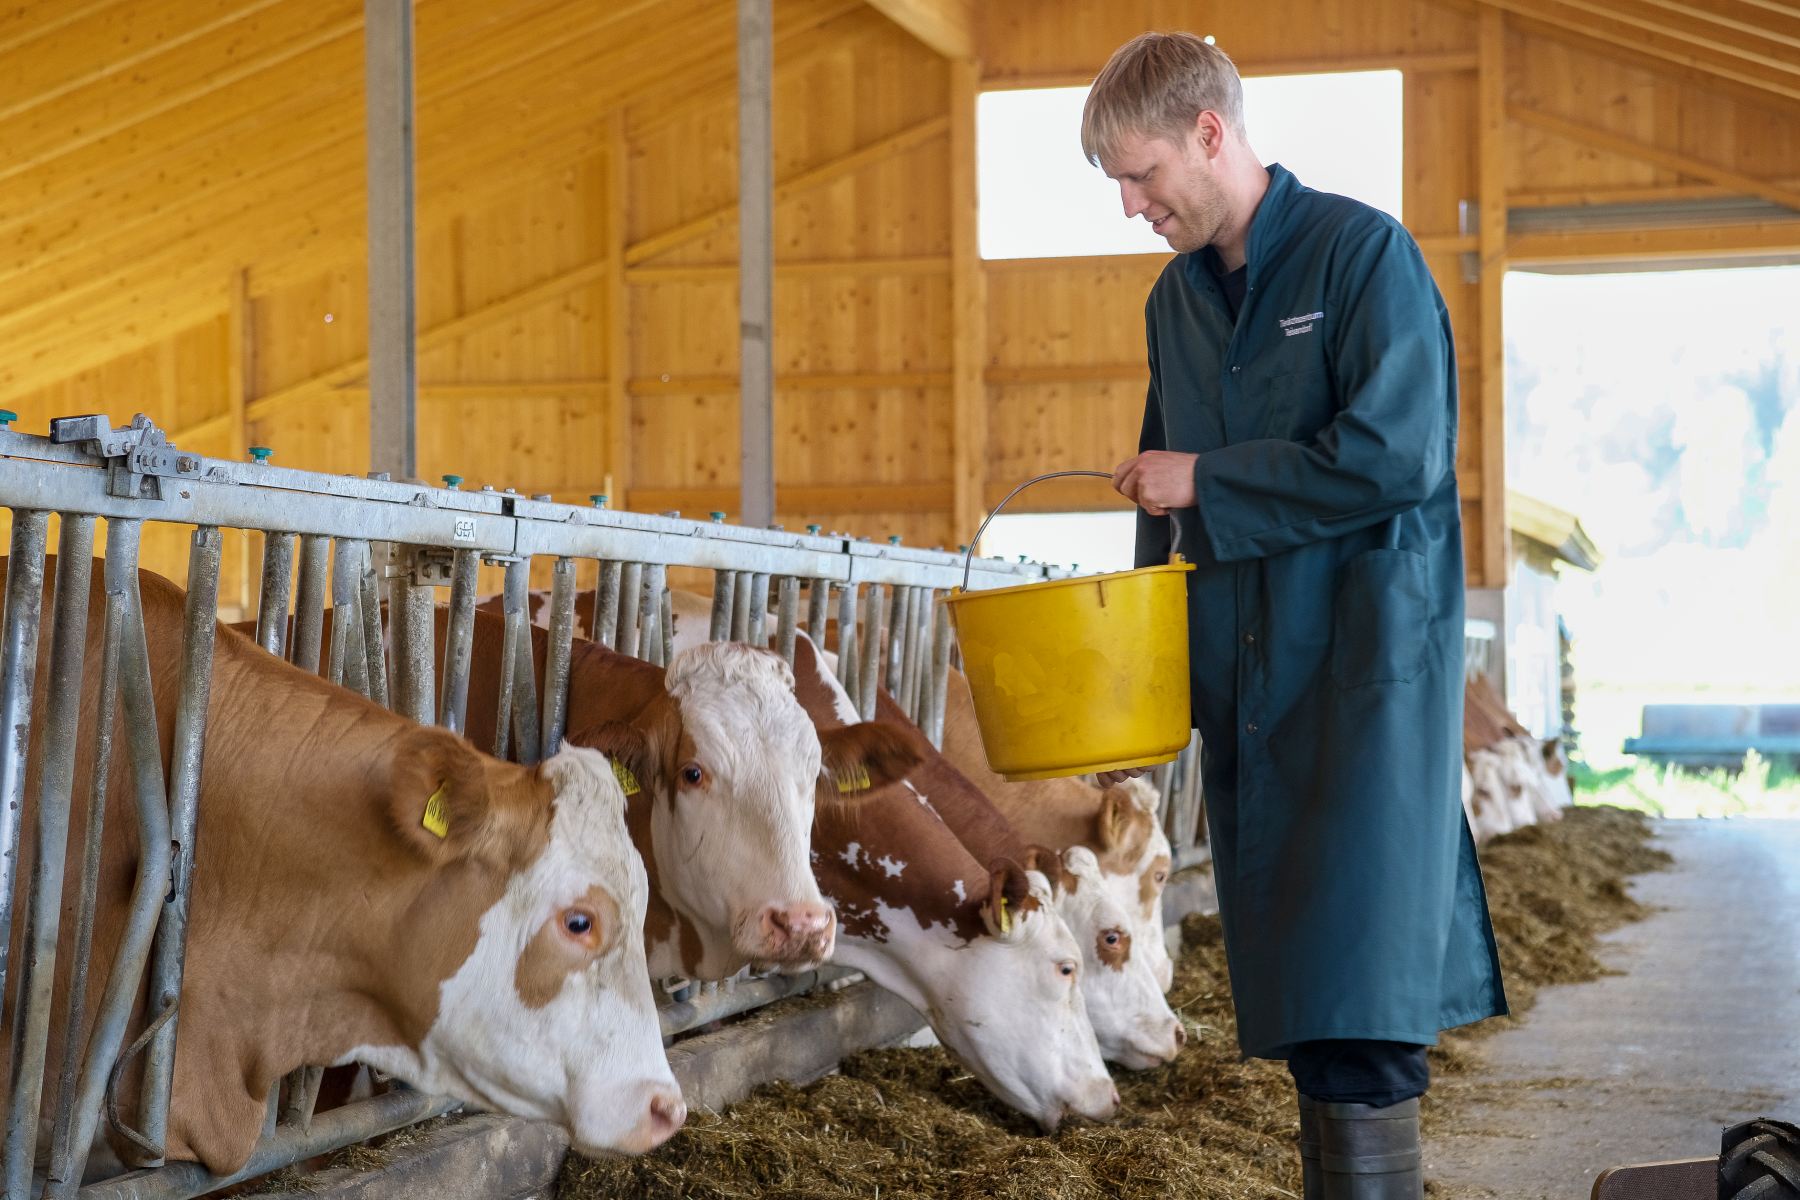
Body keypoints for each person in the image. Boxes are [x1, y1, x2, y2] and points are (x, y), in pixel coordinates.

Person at [1083, 32, 1507, 1200]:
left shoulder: (1362, 255)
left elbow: (1396, 456)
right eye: (1115, 185)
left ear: (1210, 134)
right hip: (1248, 680)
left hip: (1362, 669)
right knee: (1310, 1014)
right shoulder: (1177, 301)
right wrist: (1141, 677)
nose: (1131, 206)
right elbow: (1161, 506)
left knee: (1365, 998)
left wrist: (1209, 482)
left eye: (1142, 174)